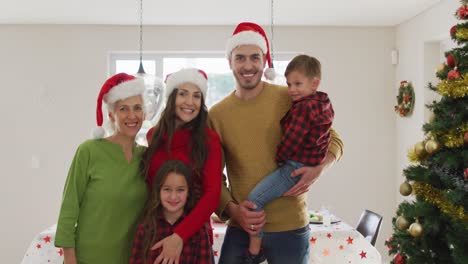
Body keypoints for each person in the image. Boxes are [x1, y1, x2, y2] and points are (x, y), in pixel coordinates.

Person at [208, 22, 344, 264]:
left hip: (290, 226)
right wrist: (232, 210)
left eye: (255, 57)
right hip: (243, 226)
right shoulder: (217, 114)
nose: (248, 65)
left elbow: (334, 138)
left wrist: (318, 169)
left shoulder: (290, 96)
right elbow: (212, 174)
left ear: (264, 61)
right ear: (230, 62)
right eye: (240, 58)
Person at [244, 54, 334, 263]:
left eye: (297, 84)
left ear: (314, 83)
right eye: (288, 84)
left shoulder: (303, 106)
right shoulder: (322, 102)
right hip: (304, 164)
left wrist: (280, 158)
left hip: (294, 168)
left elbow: (292, 140)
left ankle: (254, 253)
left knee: (253, 201)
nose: (291, 89)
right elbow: (324, 136)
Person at [55, 73, 148, 264]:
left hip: (132, 257)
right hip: (89, 257)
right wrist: (69, 257)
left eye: (137, 108)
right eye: (124, 109)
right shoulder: (89, 151)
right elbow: (69, 206)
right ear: (112, 115)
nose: (132, 116)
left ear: (144, 114)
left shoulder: (147, 156)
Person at [141, 68, 222, 264]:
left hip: (194, 236)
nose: (189, 102)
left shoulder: (209, 139)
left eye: (196, 96)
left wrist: (179, 236)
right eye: (183, 94)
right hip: (157, 233)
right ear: (171, 98)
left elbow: (212, 194)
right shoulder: (154, 135)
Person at [130, 160, 213, 264]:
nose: (173, 196)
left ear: (188, 192)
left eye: (180, 190)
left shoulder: (199, 232)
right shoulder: (146, 227)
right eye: (167, 189)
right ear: (158, 190)